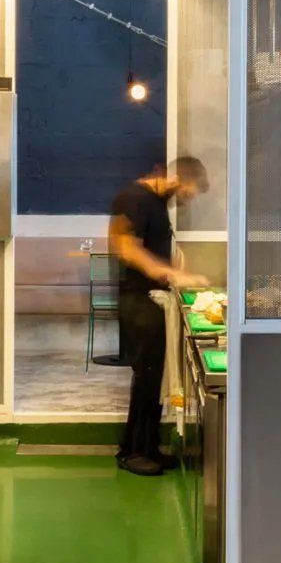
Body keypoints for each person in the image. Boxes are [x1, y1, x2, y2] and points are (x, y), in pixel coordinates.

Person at [108, 156, 210, 476]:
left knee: (153, 377)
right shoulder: (134, 198)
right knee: (146, 376)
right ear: (178, 178)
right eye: (188, 193)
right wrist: (168, 274)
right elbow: (126, 247)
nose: (187, 201)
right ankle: (132, 452)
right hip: (138, 300)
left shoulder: (155, 202)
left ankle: (149, 448)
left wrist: (178, 271)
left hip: (152, 300)